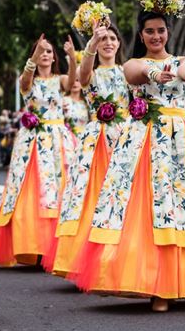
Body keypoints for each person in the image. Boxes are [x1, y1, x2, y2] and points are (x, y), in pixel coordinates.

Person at [71, 8, 185, 312]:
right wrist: (155, 73)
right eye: (150, 31)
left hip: (181, 143)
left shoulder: (183, 60)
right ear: (141, 35)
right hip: (145, 141)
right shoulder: (132, 63)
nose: (156, 36)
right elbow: (135, 73)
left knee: (182, 205)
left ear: (168, 32)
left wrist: (182, 72)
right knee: (151, 206)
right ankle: (155, 284)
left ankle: (182, 281)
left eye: (161, 30)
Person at [43, 24, 129, 276]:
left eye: (112, 38)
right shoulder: (89, 73)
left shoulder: (127, 72)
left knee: (122, 199)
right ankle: (85, 262)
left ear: (119, 43)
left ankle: (120, 260)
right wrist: (92, 41)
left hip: (125, 141)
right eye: (104, 39)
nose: (108, 42)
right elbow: (82, 74)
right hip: (96, 142)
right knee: (91, 197)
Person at [0, 34, 77, 266]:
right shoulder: (27, 81)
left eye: (48, 51)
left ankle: (56, 248)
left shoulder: (61, 79)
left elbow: (75, 80)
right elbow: (25, 82)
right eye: (40, 51)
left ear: (54, 57)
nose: (45, 54)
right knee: (31, 189)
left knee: (59, 189)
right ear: (34, 56)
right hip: (32, 143)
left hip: (58, 142)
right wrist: (32, 61)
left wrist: (72, 57)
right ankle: (31, 245)